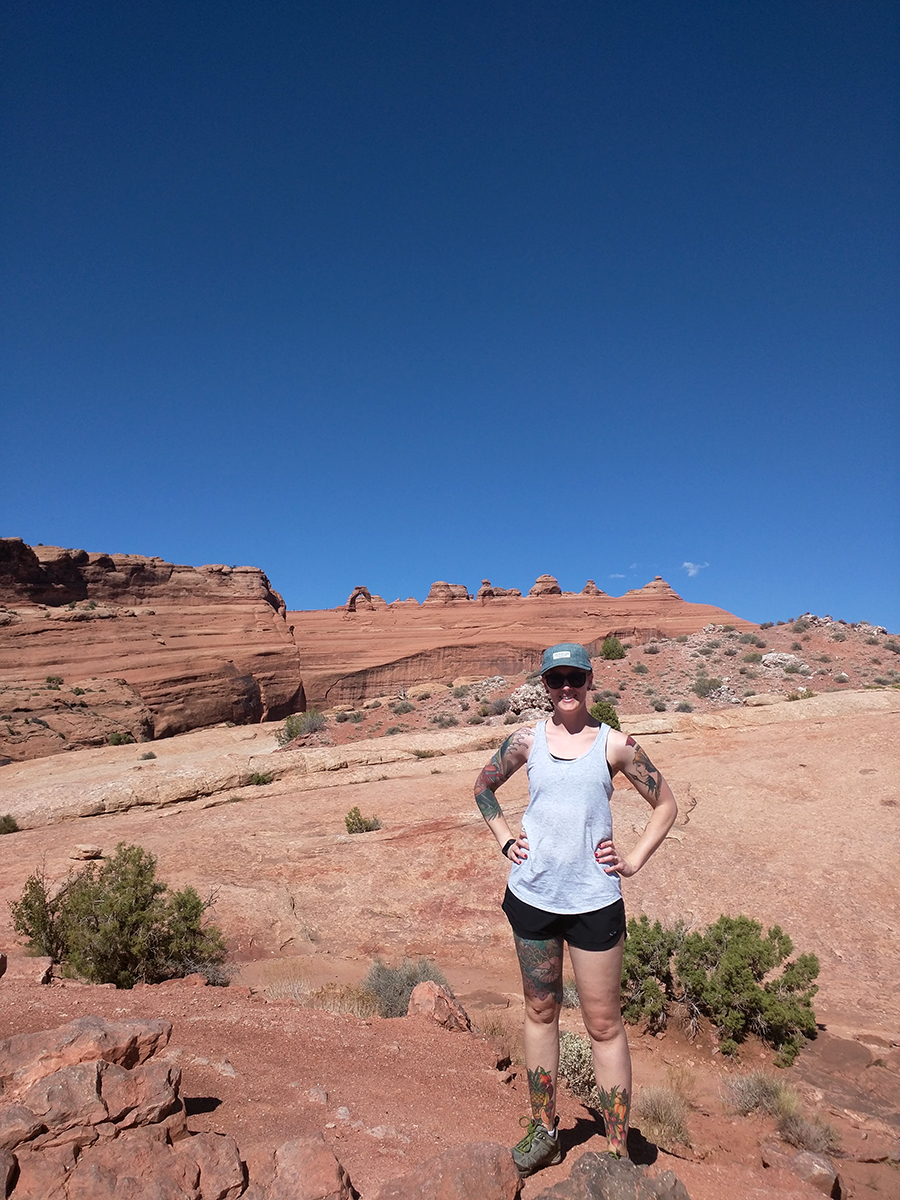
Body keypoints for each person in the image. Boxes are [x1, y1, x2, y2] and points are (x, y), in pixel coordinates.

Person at [474, 642, 678, 1176]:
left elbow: (666, 804)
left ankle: (616, 1149)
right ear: (545, 686)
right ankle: (544, 1133)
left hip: (594, 903)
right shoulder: (525, 741)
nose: (566, 688)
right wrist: (504, 840)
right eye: (555, 680)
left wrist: (632, 859)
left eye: (576, 678)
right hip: (533, 898)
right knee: (541, 1012)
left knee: (604, 1024)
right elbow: (483, 787)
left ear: (591, 681)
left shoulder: (616, 746)